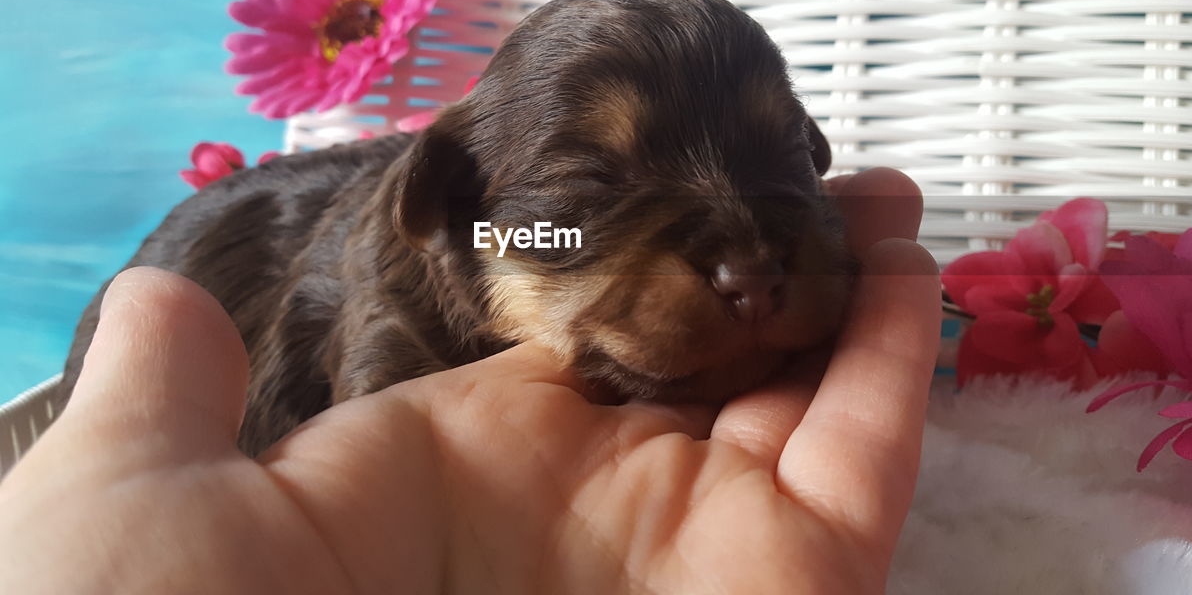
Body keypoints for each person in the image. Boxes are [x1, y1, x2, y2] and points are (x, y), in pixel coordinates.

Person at [0, 168, 939, 594]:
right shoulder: (405, 336)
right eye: (592, 199)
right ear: (457, 217)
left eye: (776, 164)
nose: (747, 261)